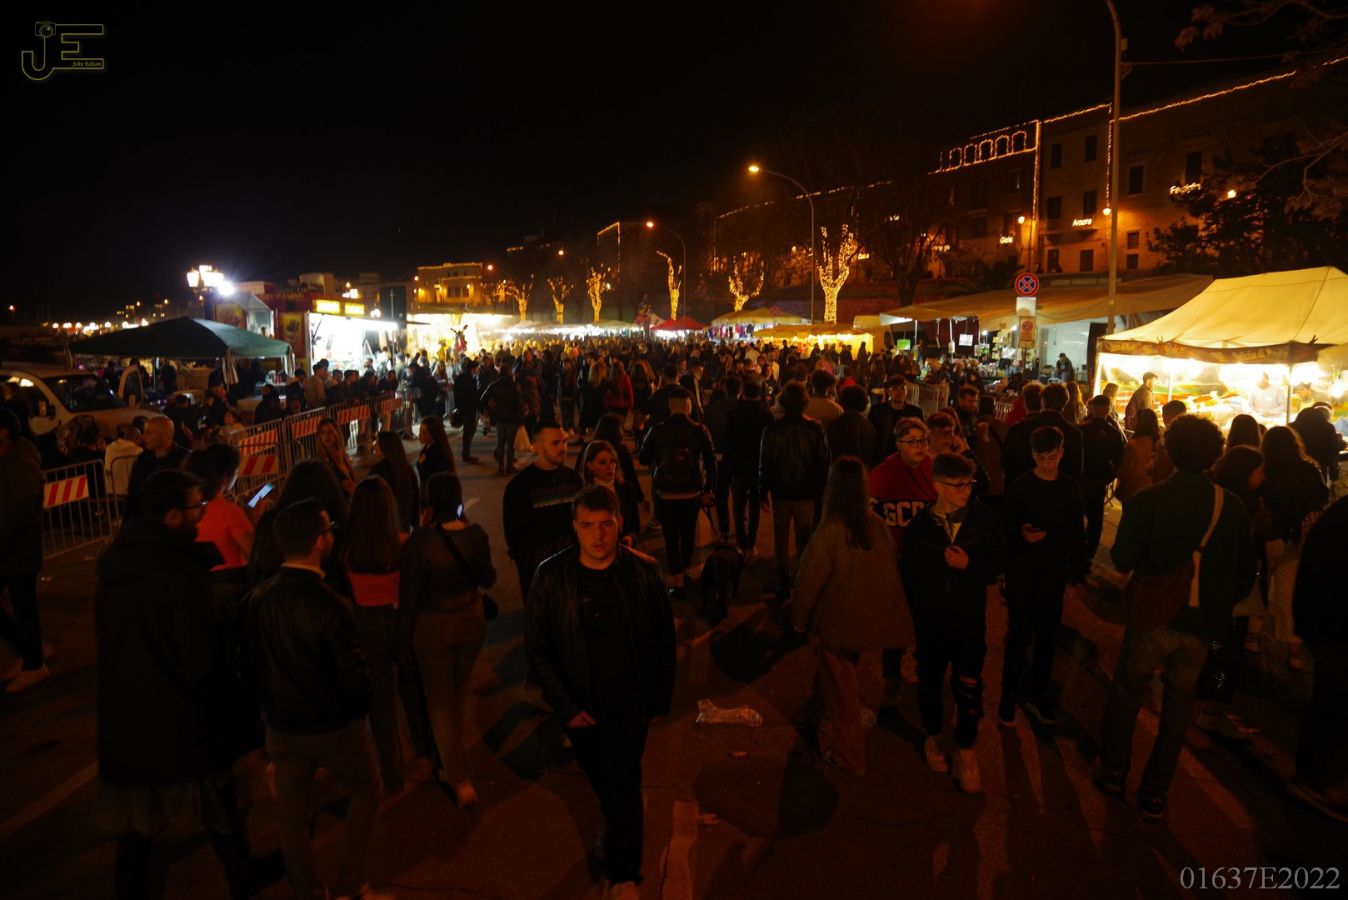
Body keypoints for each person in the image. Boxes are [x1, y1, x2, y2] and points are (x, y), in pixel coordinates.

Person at [94, 469, 273, 899]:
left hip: (129, 711)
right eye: (198, 507)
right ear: (173, 516)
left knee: (139, 823)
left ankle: (133, 891)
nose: (202, 514)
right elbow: (200, 657)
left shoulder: (115, 569)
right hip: (181, 712)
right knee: (215, 800)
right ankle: (242, 874)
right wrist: (233, 713)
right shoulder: (182, 573)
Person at [1097, 415, 1257, 824]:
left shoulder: (1148, 499)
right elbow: (1244, 575)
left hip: (1151, 615)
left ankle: (1113, 772)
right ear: (1214, 455)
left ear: (1169, 450)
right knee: (1177, 710)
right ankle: (1155, 793)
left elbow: (1122, 558)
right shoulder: (1231, 505)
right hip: (1200, 624)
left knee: (1127, 695)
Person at [524, 486, 675, 899]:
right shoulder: (551, 577)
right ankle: (618, 824)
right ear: (574, 527)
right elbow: (537, 648)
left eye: (606, 524)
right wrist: (566, 707)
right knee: (607, 784)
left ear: (619, 523)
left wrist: (658, 700)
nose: (598, 535)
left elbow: (664, 639)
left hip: (631, 705)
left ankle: (624, 875)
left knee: (624, 783)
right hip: (581, 709)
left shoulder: (644, 572)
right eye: (588, 525)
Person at [243, 499, 385, 900]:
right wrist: (357, 714)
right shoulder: (329, 604)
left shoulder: (258, 599)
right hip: (330, 727)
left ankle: (306, 890)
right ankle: (348, 885)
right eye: (328, 529)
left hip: (281, 728)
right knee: (367, 790)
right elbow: (353, 678)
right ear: (319, 542)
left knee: (291, 815)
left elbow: (249, 665)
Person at [792, 456, 914, 776]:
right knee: (835, 675)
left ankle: (849, 757)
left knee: (843, 693)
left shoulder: (828, 533)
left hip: (841, 623)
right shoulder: (876, 525)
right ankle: (810, 717)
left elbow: (808, 582)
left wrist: (799, 621)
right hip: (870, 619)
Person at [903, 451, 1008, 792]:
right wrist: (911, 623)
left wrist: (971, 567)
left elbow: (1001, 560)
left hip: (968, 619)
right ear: (938, 485)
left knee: (969, 685)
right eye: (958, 485)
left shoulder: (984, 520)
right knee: (930, 682)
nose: (966, 490)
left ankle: (966, 748)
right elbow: (909, 578)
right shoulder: (920, 527)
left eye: (969, 484)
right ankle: (933, 735)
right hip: (931, 622)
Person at [399, 473, 493, 808]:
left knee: (439, 703)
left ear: (428, 504)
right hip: (470, 622)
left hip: (434, 628)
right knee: (458, 691)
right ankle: (452, 749)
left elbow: (409, 597)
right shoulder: (476, 535)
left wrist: (402, 641)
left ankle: (458, 776)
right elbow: (488, 578)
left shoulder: (420, 543)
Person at [343, 478, 429, 795]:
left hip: (366, 624)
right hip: (397, 620)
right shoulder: (402, 544)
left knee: (380, 699)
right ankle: (424, 751)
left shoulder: (348, 549)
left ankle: (392, 774)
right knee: (410, 686)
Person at [998, 425, 1088, 727]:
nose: (1047, 463)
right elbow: (1005, 527)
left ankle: (1038, 694)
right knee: (1018, 634)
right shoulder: (1021, 487)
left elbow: (1076, 535)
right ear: (1032, 455)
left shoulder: (1070, 489)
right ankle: (1008, 696)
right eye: (1040, 458)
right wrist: (1021, 535)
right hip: (1022, 571)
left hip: (1052, 571)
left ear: (1061, 453)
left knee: (1048, 636)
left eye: (1051, 457)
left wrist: (1078, 573)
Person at [1250, 426, 1329, 671]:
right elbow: (1322, 496)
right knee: (1288, 596)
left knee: (1258, 588)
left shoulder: (1265, 470)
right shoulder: (1309, 468)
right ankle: (1294, 652)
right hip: (1297, 538)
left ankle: (1252, 639)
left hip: (1269, 537)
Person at [1290, 495, 1348, 823]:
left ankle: (1316, 778)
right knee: (1334, 703)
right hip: (1333, 627)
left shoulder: (1338, 514)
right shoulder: (1341, 518)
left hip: (1322, 622)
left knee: (1330, 701)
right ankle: (1317, 782)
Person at [639, 388, 717, 596]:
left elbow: (643, 457)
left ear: (670, 406)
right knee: (689, 533)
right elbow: (711, 462)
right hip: (692, 492)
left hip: (665, 491)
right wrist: (709, 489)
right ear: (688, 406)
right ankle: (687, 568)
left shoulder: (657, 430)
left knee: (670, 535)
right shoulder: (700, 430)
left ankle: (677, 578)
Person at [758, 382, 830, 601]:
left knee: (780, 536)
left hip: (781, 492)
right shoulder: (815, 428)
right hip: (806, 492)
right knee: (804, 537)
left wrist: (763, 492)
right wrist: (821, 491)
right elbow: (823, 463)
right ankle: (802, 579)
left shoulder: (772, 429)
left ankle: (782, 579)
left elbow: (765, 463)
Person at [503, 421, 584, 600]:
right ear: (537, 447)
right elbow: (514, 535)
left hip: (572, 566)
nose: (563, 447)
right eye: (555, 443)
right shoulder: (519, 487)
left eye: (564, 441)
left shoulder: (573, 479)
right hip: (538, 571)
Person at [0, 409, 48, 692]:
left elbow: (17, 513)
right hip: (9, 548)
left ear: (4, 432)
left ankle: (34, 664)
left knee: (24, 607)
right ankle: (29, 650)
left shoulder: (22, 464)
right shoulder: (8, 459)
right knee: (22, 608)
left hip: (19, 551)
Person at [721, 378, 774, 560]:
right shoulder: (766, 415)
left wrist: (727, 465)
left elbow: (728, 441)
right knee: (754, 507)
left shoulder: (734, 413)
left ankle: (741, 543)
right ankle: (751, 544)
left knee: (738, 507)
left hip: (738, 467)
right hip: (757, 467)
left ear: (742, 392)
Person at [185, 442, 258, 572]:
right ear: (225, 476)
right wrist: (255, 520)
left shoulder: (189, 511)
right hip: (233, 579)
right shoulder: (229, 511)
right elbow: (255, 554)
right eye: (236, 472)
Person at [1001, 383, 1083, 486]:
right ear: (1065, 403)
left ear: (1042, 401)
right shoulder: (1075, 433)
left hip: (1027, 487)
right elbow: (1076, 470)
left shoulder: (1021, 427)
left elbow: (1009, 461)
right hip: (1060, 489)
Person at [1080, 394, 1127, 558]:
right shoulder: (1113, 433)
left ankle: (1077, 548)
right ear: (1108, 409)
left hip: (1082, 478)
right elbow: (1119, 459)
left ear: (1092, 408)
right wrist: (1110, 475)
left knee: (1077, 514)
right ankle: (1090, 550)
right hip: (1099, 480)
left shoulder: (1082, 429)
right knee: (1095, 518)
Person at [124, 417, 189, 519]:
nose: (143, 437)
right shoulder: (142, 460)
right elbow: (133, 494)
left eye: (149, 433)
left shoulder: (185, 459)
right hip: (147, 519)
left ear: (165, 435)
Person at [582, 440, 642, 545]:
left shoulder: (628, 489)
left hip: (623, 550)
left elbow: (635, 527)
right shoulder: (584, 495)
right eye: (603, 462)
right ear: (590, 465)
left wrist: (630, 538)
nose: (610, 467)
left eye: (613, 461)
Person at [868, 376, 923, 468]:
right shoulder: (877, 411)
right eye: (895, 389)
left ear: (906, 391)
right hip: (881, 459)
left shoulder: (915, 413)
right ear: (889, 392)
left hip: (906, 459)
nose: (899, 392)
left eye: (902, 388)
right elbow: (870, 435)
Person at [371, 429, 420, 532]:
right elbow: (415, 496)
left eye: (377, 443)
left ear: (385, 447)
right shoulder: (406, 469)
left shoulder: (378, 471)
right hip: (404, 520)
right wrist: (415, 522)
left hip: (385, 522)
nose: (374, 445)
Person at [481, 368, 523, 473]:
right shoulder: (513, 385)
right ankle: (509, 466)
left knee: (500, 442)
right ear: (508, 373)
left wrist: (490, 410)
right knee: (510, 444)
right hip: (512, 417)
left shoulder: (494, 385)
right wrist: (521, 416)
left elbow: (483, 399)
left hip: (499, 417)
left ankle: (501, 466)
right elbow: (519, 402)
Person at [1116, 408, 1160, 504]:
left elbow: (1125, 470)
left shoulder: (1133, 445)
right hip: (1150, 487)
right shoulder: (1157, 443)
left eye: (1134, 418)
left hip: (1132, 489)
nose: (1131, 420)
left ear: (1141, 422)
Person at [826, 384, 876, 464]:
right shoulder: (868, 426)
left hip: (839, 467)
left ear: (842, 401)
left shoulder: (835, 424)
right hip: (862, 467)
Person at [103, 424, 143, 510]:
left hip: (109, 490)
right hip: (127, 492)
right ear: (138, 438)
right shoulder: (138, 451)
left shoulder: (110, 447)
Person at [315, 418, 357, 494]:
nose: (326, 436)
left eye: (330, 431)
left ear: (336, 433)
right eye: (322, 433)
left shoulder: (342, 456)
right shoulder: (322, 461)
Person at [416, 415, 456, 491]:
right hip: (426, 489)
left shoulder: (438, 453)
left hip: (436, 491)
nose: (420, 435)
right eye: (420, 431)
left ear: (434, 434)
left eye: (424, 432)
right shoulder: (426, 448)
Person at [453, 359, 481, 463]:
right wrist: (479, 406)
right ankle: (466, 453)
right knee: (469, 431)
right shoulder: (471, 380)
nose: (478, 370)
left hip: (462, 407)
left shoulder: (460, 378)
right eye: (477, 368)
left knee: (467, 431)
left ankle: (465, 451)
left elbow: (456, 393)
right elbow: (474, 395)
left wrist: (458, 406)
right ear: (472, 369)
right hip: (470, 408)